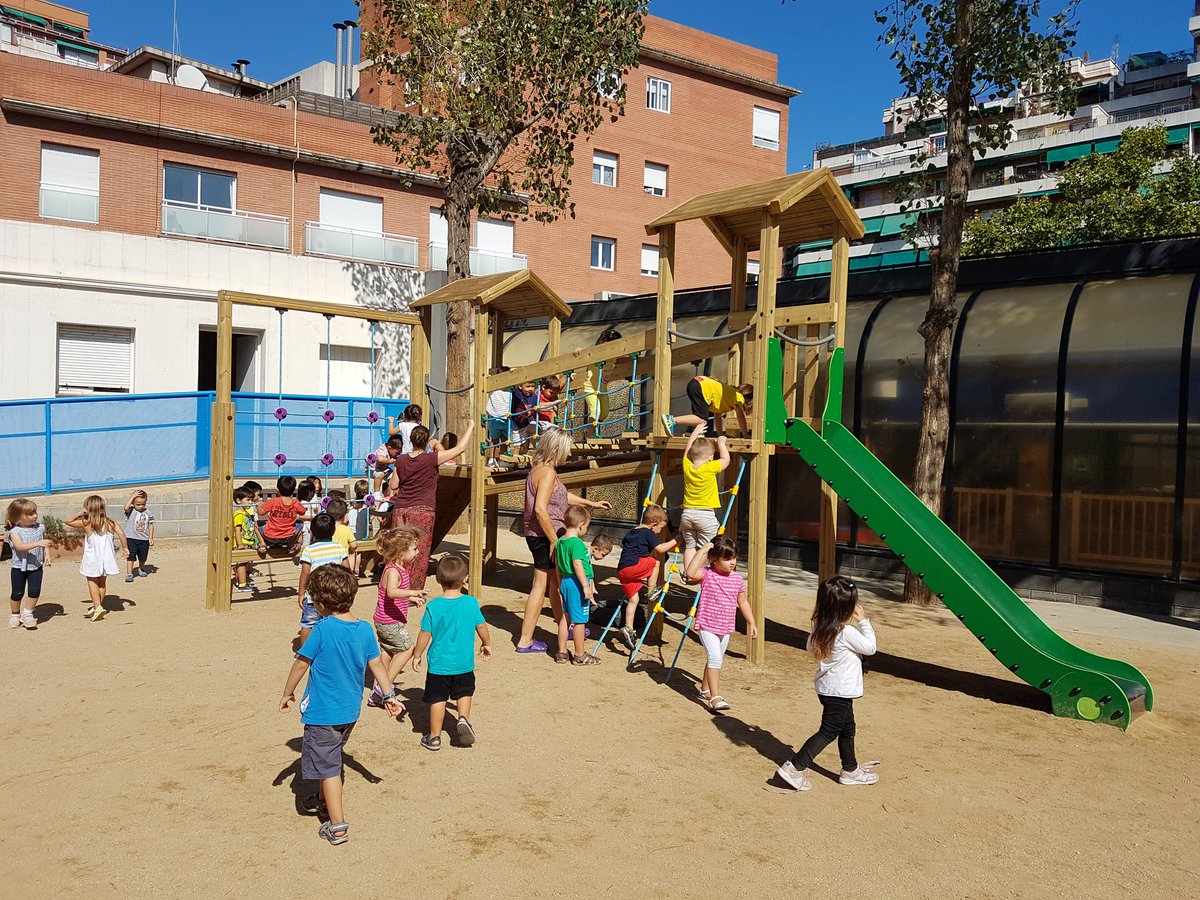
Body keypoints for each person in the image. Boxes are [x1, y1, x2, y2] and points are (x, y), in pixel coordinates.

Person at [279, 564, 401, 845]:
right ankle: (322, 801)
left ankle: (337, 826)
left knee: (329, 767)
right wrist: (389, 695)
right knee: (331, 756)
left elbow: (301, 663)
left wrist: (287, 693)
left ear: (320, 604)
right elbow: (378, 665)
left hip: (323, 713)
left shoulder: (322, 629)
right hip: (349, 712)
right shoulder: (364, 629)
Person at [776, 576, 879, 792]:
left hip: (828, 689)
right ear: (846, 609)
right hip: (839, 691)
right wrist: (863, 621)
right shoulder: (846, 632)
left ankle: (850, 770)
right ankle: (795, 766)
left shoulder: (820, 629)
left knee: (847, 728)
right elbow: (870, 648)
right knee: (829, 730)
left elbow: (810, 649)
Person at [515, 428, 612, 654]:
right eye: (567, 449)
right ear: (556, 448)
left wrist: (590, 504)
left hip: (540, 533)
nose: (568, 454)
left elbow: (560, 496)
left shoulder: (539, 468)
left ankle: (564, 626)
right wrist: (554, 541)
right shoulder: (547, 472)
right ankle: (525, 640)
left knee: (555, 584)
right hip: (544, 534)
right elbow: (540, 509)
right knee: (541, 585)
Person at [412, 554, 492, 751]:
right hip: (464, 663)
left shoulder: (433, 606)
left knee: (438, 699)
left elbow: (425, 633)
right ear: (465, 578)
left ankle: (434, 737)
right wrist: (486, 643)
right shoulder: (471, 603)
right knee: (464, 693)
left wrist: (417, 654)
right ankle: (463, 719)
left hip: (439, 664)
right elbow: (481, 626)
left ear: (438, 579)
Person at [388, 422, 474, 591]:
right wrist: (470, 426)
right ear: (427, 441)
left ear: (410, 440)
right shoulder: (431, 458)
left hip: (401, 509)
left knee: (399, 550)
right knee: (419, 553)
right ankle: (414, 591)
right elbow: (459, 448)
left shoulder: (401, 460)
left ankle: (395, 585)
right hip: (423, 511)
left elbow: (394, 485)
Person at [684, 536, 757, 712]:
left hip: (725, 627)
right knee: (715, 658)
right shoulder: (707, 574)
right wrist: (702, 551)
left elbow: (743, 602)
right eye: (727, 559)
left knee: (715, 657)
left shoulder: (737, 579)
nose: (732, 562)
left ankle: (705, 688)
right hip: (707, 625)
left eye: (734, 558)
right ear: (714, 560)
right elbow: (690, 573)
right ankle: (715, 698)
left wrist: (751, 622)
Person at [367, 526, 429, 705]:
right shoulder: (393, 571)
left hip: (386, 620)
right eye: (414, 549)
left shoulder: (398, 569)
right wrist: (413, 592)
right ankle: (383, 689)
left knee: (387, 653)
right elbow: (392, 592)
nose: (418, 552)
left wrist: (410, 599)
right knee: (408, 649)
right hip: (389, 622)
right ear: (401, 551)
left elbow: (392, 597)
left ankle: (376, 693)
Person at [553, 505, 611, 665]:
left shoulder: (560, 542)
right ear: (581, 524)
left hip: (565, 581)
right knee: (579, 620)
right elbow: (578, 564)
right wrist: (586, 586)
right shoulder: (577, 544)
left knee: (565, 618)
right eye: (587, 526)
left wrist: (559, 582)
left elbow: (557, 565)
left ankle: (562, 652)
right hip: (576, 583)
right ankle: (579, 655)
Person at [615, 505, 677, 650]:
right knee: (655, 562)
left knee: (634, 600)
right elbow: (660, 549)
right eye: (660, 528)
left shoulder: (632, 531)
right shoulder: (648, 533)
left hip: (622, 570)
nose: (660, 531)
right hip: (632, 566)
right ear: (653, 524)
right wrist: (677, 540)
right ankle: (651, 590)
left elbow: (623, 544)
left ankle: (628, 628)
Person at [679, 423, 731, 578]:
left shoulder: (687, 466)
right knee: (706, 547)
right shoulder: (710, 467)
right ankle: (694, 573)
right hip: (705, 515)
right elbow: (726, 459)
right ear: (710, 457)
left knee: (690, 546)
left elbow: (687, 450)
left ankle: (687, 572)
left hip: (687, 514)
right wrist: (721, 443)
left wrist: (694, 433)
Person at [66, 495, 128, 622]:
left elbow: (68, 521)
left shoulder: (87, 522)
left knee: (92, 581)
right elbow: (121, 533)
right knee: (102, 582)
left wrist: (81, 513)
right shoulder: (110, 523)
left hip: (93, 558)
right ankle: (97, 606)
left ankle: (98, 607)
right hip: (107, 558)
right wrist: (125, 548)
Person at [296, 513, 349, 644]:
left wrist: (301, 592)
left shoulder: (309, 550)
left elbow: (305, 573)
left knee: (308, 624)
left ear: (312, 531)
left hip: (314, 595)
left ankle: (305, 651)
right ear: (334, 531)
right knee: (336, 621)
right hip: (335, 593)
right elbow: (347, 570)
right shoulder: (339, 548)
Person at [5, 498, 51, 630]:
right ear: (18, 518)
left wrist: (47, 554)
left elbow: (45, 542)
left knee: (34, 591)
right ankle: (15, 615)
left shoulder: (40, 528)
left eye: (35, 512)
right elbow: (19, 547)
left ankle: (27, 614)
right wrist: (38, 544)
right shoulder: (15, 532)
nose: (35, 515)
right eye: (30, 514)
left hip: (36, 566)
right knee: (17, 592)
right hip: (18, 567)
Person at [662, 376, 752, 437]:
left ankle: (691, 430)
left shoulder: (726, 396)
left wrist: (720, 435)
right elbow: (741, 418)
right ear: (748, 400)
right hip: (701, 387)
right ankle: (672, 420)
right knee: (702, 419)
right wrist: (746, 436)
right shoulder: (738, 397)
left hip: (696, 382)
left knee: (699, 415)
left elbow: (717, 417)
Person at [571, 326, 622, 428]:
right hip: (590, 388)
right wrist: (579, 350)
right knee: (595, 412)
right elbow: (583, 355)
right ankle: (592, 433)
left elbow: (624, 359)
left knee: (604, 413)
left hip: (603, 389)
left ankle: (593, 430)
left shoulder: (614, 357)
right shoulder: (595, 354)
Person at [257, 475, 307, 552]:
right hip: (288, 537)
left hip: (270, 536)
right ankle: (292, 544)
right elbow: (303, 512)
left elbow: (261, 513)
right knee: (300, 523)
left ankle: (263, 544)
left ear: (278, 489)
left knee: (256, 524)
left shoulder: (274, 501)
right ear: (293, 490)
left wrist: (259, 505)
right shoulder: (295, 503)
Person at [232, 486, 265, 593]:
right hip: (242, 542)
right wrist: (240, 544)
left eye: (251, 500)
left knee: (243, 563)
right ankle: (242, 584)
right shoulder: (239, 514)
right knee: (241, 563)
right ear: (238, 501)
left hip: (248, 541)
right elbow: (237, 530)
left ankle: (240, 582)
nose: (251, 502)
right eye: (248, 500)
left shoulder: (247, 513)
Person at [122, 489, 155, 583]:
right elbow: (126, 508)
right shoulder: (131, 510)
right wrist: (132, 496)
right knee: (131, 556)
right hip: (131, 538)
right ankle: (129, 573)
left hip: (144, 539)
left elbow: (151, 525)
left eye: (143, 504)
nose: (141, 506)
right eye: (138, 504)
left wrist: (151, 538)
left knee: (143, 557)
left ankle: (141, 568)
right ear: (133, 503)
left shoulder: (148, 512)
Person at [485, 368, 512, 467]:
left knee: (505, 439)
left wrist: (513, 371)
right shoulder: (494, 388)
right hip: (494, 417)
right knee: (494, 439)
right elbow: (486, 378)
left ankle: (502, 459)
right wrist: (490, 377)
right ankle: (491, 459)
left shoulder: (510, 389)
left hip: (506, 418)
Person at [326, 499, 358, 569]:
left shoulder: (326, 528)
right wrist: (351, 550)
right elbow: (354, 545)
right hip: (342, 562)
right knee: (352, 553)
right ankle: (350, 571)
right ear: (344, 515)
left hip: (327, 562)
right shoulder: (346, 529)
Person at [509, 380, 539, 451]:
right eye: (527, 386)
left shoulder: (534, 397)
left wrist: (550, 407)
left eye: (532, 386)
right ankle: (515, 458)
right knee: (517, 446)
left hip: (527, 422)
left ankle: (531, 448)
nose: (530, 389)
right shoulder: (517, 394)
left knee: (525, 442)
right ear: (520, 386)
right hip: (516, 425)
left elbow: (539, 406)